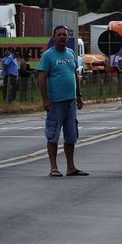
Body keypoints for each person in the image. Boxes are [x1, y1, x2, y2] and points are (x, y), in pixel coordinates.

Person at [38, 25, 88, 177]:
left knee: (71, 136)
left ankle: (71, 167)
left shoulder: (71, 53)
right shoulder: (48, 56)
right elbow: (41, 78)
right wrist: (45, 99)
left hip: (70, 101)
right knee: (53, 135)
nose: (62, 37)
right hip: (55, 103)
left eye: (65, 35)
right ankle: (54, 167)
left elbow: (74, 75)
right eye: (59, 35)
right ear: (54, 37)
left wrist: (78, 95)